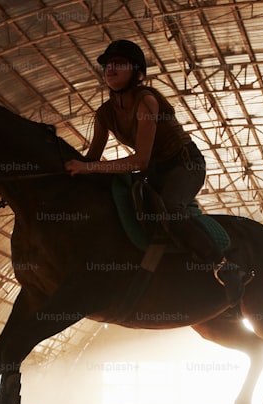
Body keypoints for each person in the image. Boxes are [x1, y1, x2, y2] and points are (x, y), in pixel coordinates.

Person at [65, 39, 249, 303]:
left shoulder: (146, 101)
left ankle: (223, 266)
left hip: (185, 164)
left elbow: (139, 161)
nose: (110, 69)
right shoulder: (104, 114)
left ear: (136, 72)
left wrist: (89, 167)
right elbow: (91, 159)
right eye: (107, 65)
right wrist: (71, 171)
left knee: (171, 208)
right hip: (156, 170)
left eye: (118, 64)